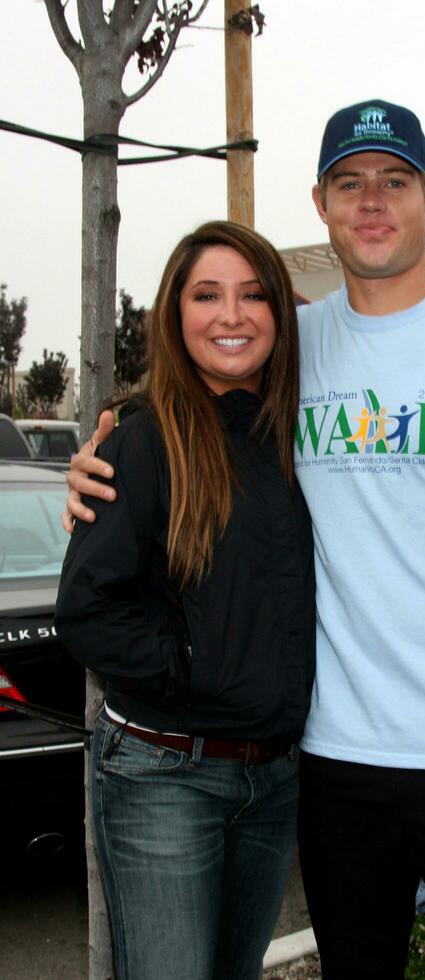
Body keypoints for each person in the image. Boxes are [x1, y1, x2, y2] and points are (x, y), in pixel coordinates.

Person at [64, 101, 425, 980]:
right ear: (321, 203)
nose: (371, 201)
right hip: (337, 753)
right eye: (350, 183)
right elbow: (196, 397)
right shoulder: (296, 348)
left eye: (394, 181)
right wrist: (109, 442)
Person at [55, 221, 315, 980]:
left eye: (253, 295)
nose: (231, 316)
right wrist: (193, 671)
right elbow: (87, 608)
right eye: (207, 295)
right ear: (175, 313)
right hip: (166, 775)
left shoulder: (292, 439)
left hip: (273, 780)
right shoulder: (140, 442)